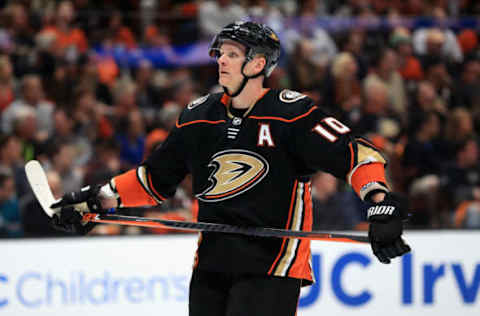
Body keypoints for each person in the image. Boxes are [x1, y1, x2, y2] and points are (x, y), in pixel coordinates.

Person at [49, 21, 411, 316]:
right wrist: (96, 201)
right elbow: (152, 180)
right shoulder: (197, 116)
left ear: (257, 65)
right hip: (211, 263)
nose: (221, 60)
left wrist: (379, 201)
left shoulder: (292, 112)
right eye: (221, 53)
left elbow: (356, 154)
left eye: (233, 54)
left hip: (272, 263)